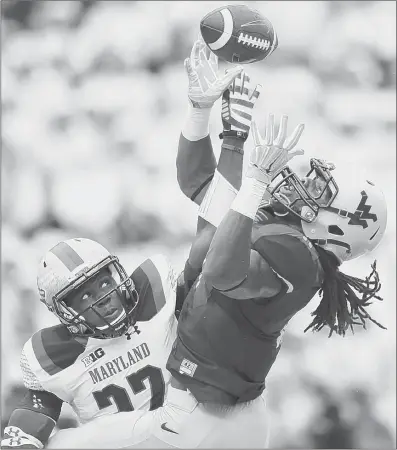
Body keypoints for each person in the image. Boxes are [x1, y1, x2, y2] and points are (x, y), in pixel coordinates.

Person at [45, 39, 387, 449]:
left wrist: (256, 182)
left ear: (339, 227)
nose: (302, 184)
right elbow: (201, 186)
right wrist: (203, 116)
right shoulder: (280, 228)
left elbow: (222, 272)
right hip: (214, 412)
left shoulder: (298, 255)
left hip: (202, 419)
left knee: (53, 445)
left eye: (319, 189)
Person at [1, 238, 179, 449]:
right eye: (86, 295)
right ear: (66, 311)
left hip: (186, 427)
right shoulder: (55, 356)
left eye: (105, 283)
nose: (104, 298)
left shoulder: (156, 294)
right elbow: (24, 433)